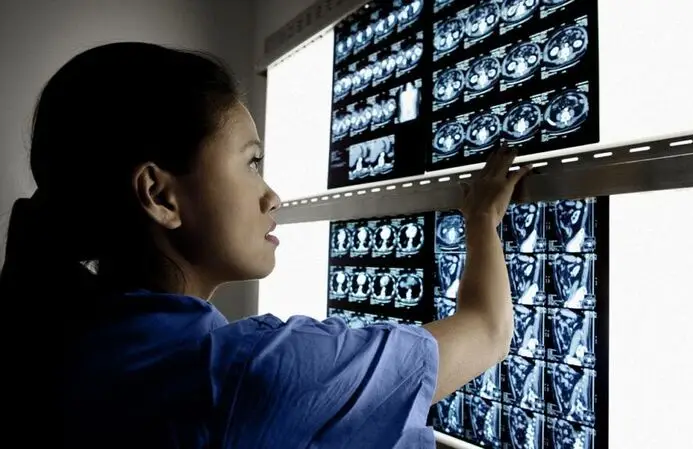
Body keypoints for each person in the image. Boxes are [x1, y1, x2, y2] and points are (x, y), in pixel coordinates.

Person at [0, 42, 533, 448]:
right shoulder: (253, 373)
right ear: (160, 195)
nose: (272, 195)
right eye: (252, 162)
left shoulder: (59, 333)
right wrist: (482, 217)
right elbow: (487, 331)